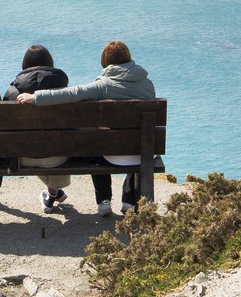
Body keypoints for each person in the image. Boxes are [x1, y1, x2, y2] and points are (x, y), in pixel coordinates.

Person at [17, 39, 154, 214]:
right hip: (144, 153)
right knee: (136, 139)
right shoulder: (148, 85)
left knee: (98, 140)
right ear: (129, 58)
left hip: (111, 154)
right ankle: (128, 201)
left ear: (105, 62)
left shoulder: (103, 86)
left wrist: (36, 98)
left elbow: (71, 93)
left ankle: (104, 201)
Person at [3, 44, 72, 211]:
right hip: (59, 156)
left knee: (32, 142)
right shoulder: (64, 88)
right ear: (50, 63)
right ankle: (53, 192)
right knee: (56, 140)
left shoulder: (13, 92)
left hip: (24, 157)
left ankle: (53, 193)